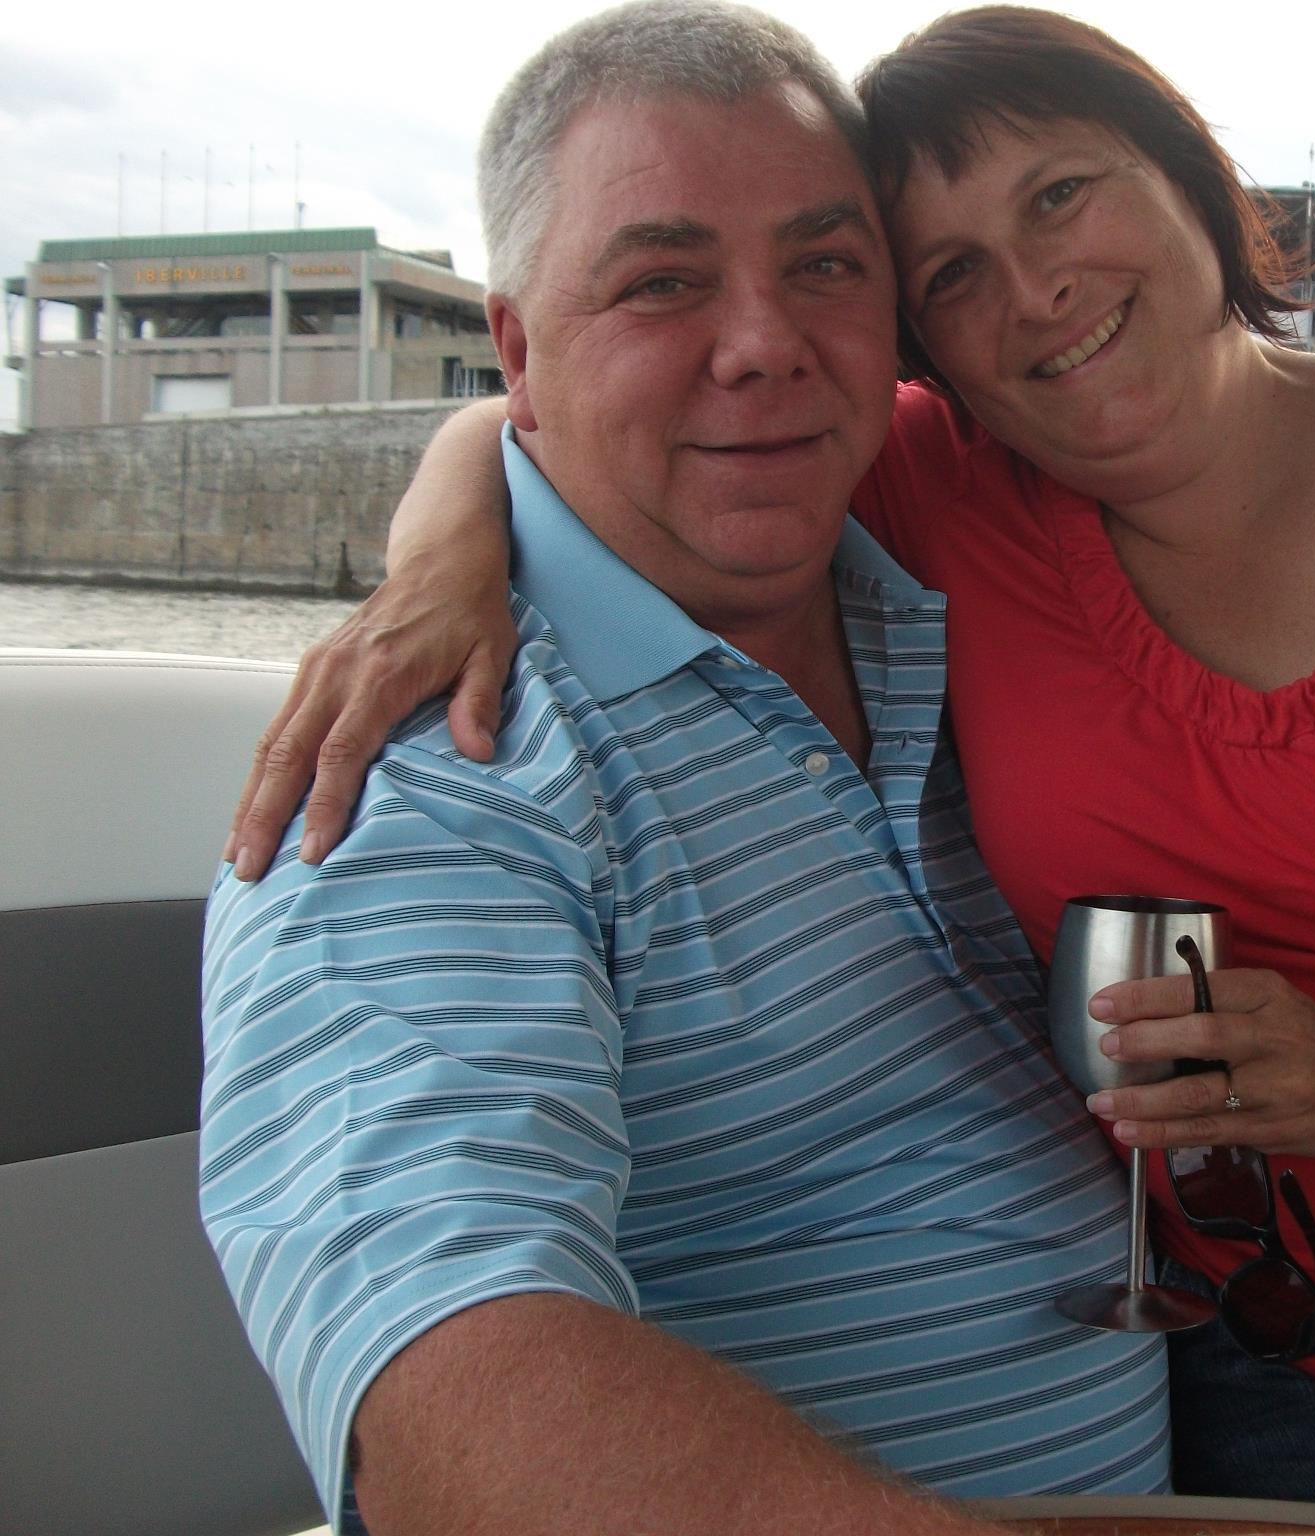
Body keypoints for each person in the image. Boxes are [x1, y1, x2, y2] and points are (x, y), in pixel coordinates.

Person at [225, 6, 1315, 1531]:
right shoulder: (917, 516)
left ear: (1195, 179)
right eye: (951, 276)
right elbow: (638, 403)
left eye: (1059, 195)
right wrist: (446, 549)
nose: (1032, 288)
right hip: (1285, 1385)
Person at [198, 8, 1173, 1535]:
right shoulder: (436, 769)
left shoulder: (968, 582)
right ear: (520, 351)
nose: (766, 341)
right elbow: (446, 1388)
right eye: (662, 282)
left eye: (826, 266)